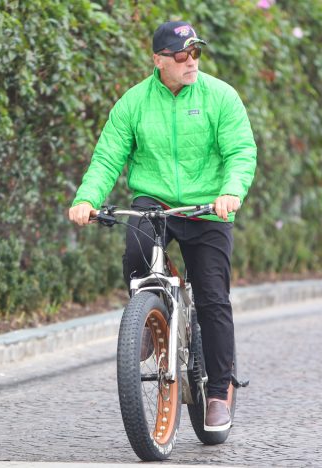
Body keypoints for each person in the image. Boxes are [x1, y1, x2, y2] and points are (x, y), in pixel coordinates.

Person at [68, 20, 256, 432]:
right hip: (155, 203)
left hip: (208, 207)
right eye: (181, 56)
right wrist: (86, 198)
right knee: (137, 253)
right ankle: (149, 318)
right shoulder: (134, 103)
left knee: (212, 297)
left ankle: (219, 391)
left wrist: (230, 191)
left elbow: (240, 151)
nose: (191, 63)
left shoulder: (220, 97)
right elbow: (107, 158)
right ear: (159, 61)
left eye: (195, 54)